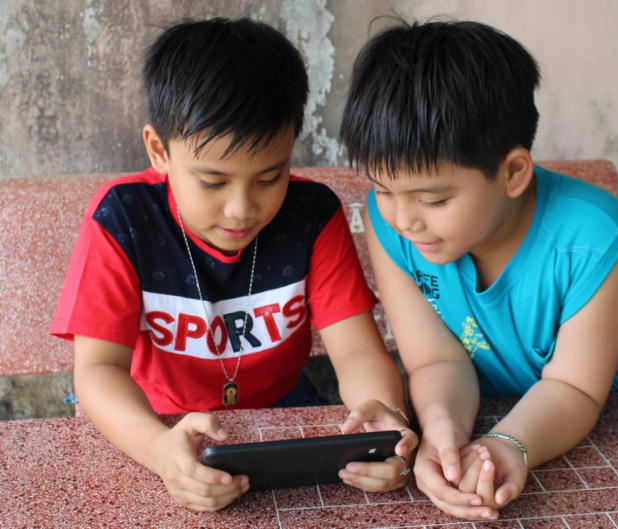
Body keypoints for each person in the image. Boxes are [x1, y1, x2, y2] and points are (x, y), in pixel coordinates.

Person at [50, 17, 417, 512]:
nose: (242, 209)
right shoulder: (124, 218)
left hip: (283, 405)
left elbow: (356, 351)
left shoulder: (312, 215)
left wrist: (385, 422)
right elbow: (98, 372)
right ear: (159, 150)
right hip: (150, 417)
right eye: (213, 181)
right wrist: (159, 450)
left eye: (269, 178)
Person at [339, 19, 618, 520]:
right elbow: (436, 361)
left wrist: (506, 446)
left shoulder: (594, 241)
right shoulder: (394, 225)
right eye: (383, 189)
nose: (403, 219)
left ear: (512, 173)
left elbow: (574, 388)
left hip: (605, 423)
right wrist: (442, 436)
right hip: (480, 414)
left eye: (433, 200)